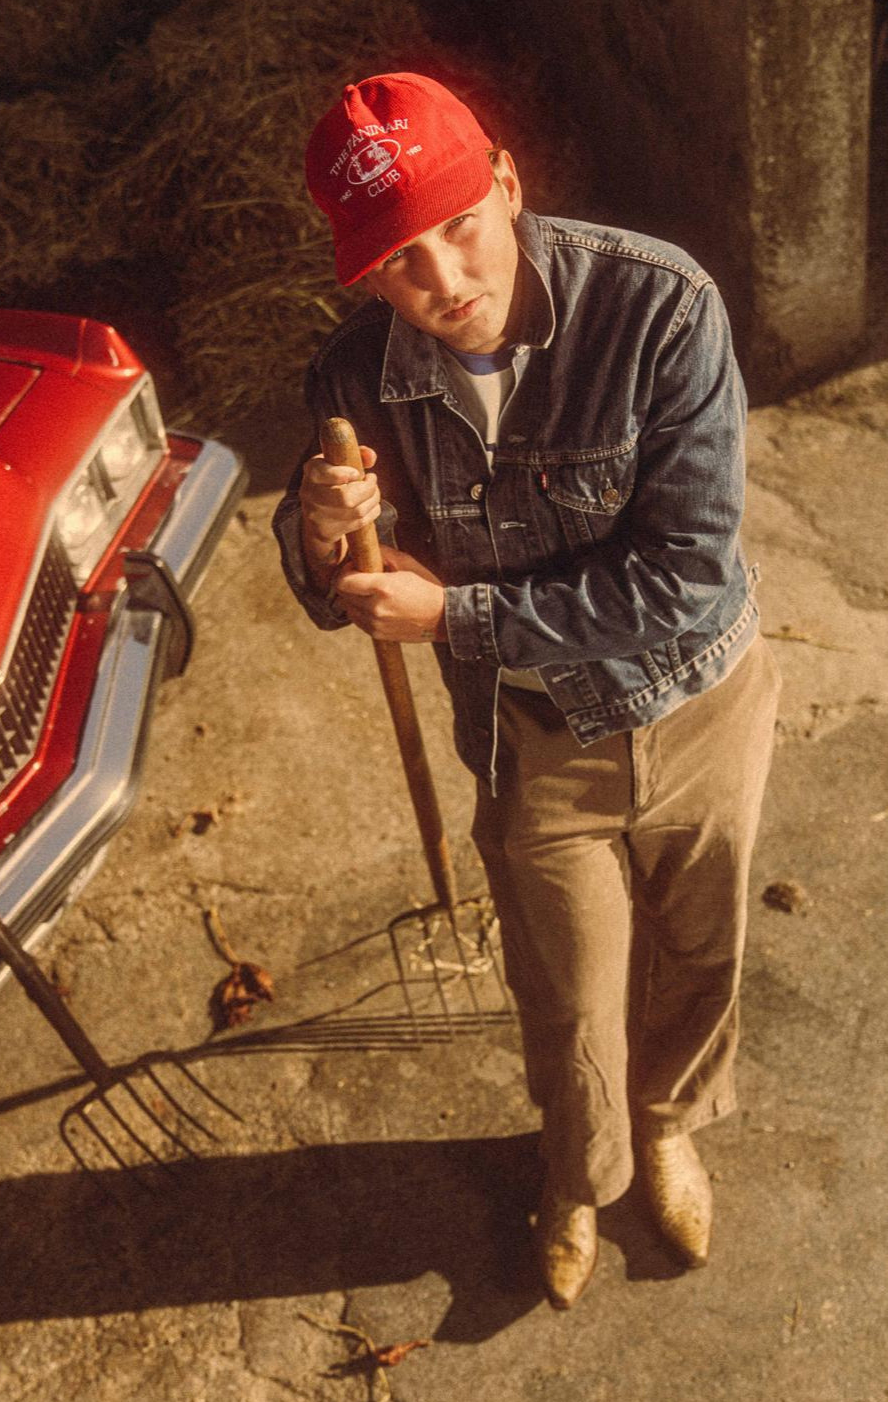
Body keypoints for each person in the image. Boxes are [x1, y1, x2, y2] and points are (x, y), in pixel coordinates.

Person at [272, 71, 781, 1309]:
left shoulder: (660, 305)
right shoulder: (352, 379)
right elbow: (337, 581)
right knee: (566, 989)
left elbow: (685, 574)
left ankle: (667, 1122)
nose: (445, 278)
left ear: (506, 183)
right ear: (366, 275)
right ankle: (580, 1172)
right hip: (533, 737)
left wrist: (457, 615)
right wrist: (325, 529)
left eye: (460, 226)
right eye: (401, 260)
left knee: (700, 946)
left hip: (699, 703)